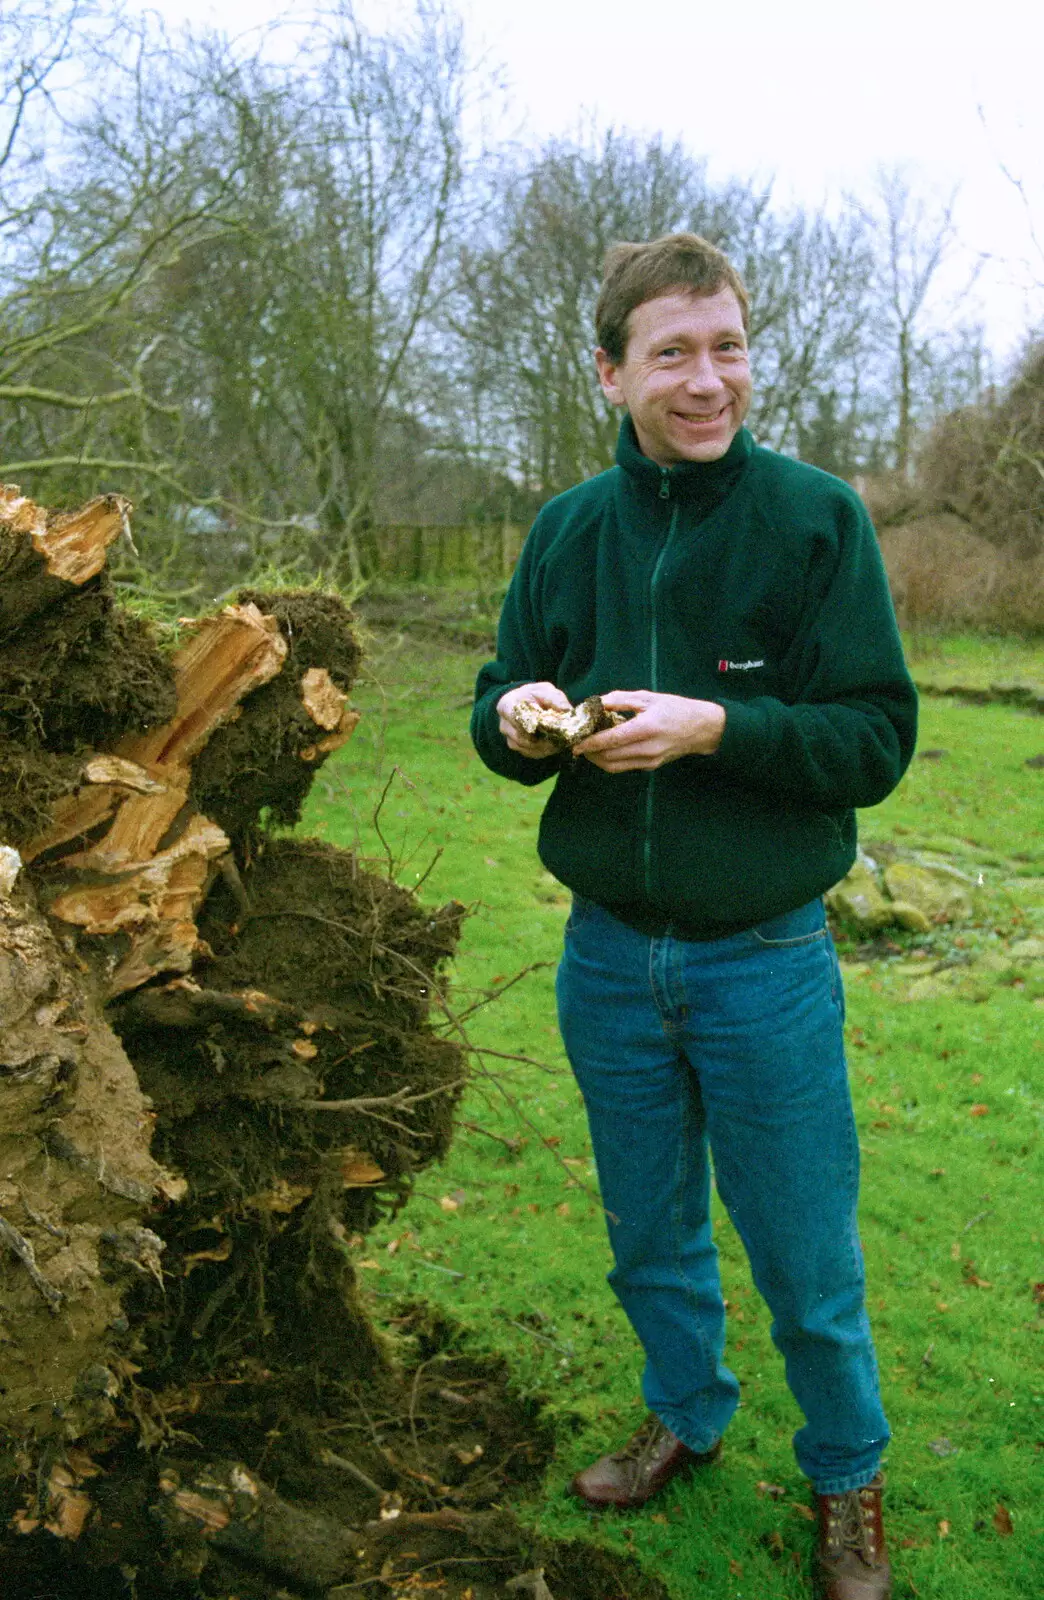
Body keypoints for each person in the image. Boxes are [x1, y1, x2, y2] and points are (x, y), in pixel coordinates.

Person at [470, 233, 916, 1600]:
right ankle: (688, 1413)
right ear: (610, 372)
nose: (708, 378)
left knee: (802, 1249)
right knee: (648, 1233)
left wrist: (719, 728)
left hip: (764, 961)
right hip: (608, 954)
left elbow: (877, 739)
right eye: (673, 352)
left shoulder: (815, 519)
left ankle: (848, 1481)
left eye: (726, 345)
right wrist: (517, 717)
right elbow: (499, 695)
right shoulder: (566, 531)